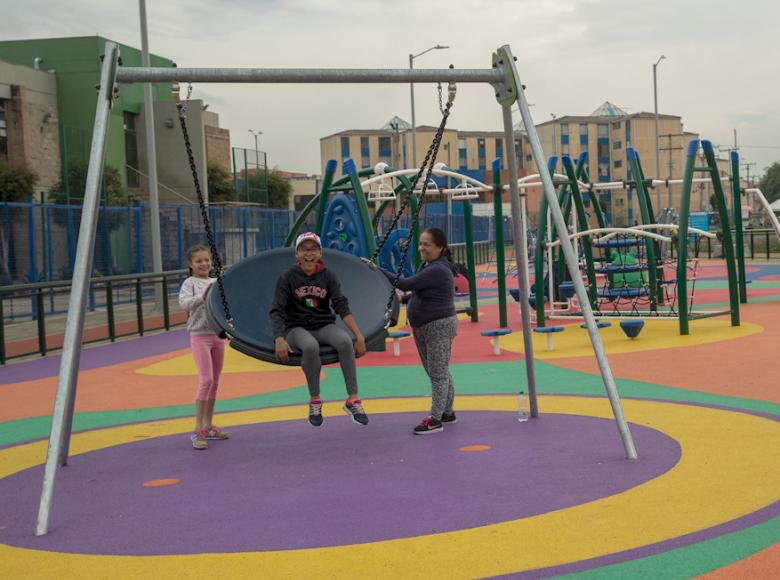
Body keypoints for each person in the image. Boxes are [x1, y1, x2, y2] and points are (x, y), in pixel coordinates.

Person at [270, 232, 369, 427]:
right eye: (304, 249)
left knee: (344, 341)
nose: (309, 253)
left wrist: (359, 336)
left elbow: (341, 305)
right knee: (310, 346)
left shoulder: (328, 275)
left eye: (314, 249)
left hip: (323, 325)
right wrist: (279, 338)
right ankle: (315, 399)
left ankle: (353, 398)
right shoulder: (288, 278)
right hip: (296, 328)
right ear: (297, 254)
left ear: (320, 253)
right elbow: (277, 310)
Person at [375, 227, 458, 435]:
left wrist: (378, 270)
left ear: (440, 247)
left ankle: (435, 419)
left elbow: (405, 283)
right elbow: (418, 292)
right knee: (437, 371)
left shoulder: (437, 269)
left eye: (426, 244)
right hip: (424, 326)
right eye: (420, 244)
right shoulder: (428, 265)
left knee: (438, 374)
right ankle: (447, 411)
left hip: (438, 325)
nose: (421, 248)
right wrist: (403, 300)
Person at [178, 245, 228, 450]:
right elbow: (184, 304)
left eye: (206, 260)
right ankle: (197, 428)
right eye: (199, 261)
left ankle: (207, 425)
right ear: (190, 264)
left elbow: (225, 304)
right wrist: (203, 296)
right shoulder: (189, 283)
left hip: (216, 336)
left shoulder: (216, 282)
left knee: (215, 381)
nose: (204, 264)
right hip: (200, 336)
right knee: (206, 379)